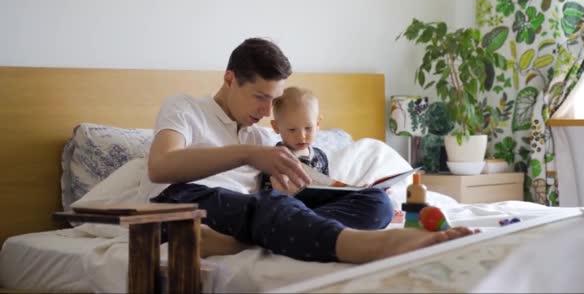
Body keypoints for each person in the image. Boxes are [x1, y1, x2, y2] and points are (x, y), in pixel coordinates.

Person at [148, 37, 475, 263]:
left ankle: (234, 243)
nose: (266, 112)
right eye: (260, 97)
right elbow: (160, 167)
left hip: (247, 215)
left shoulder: (258, 136)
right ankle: (369, 245)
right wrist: (247, 155)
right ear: (230, 78)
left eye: (272, 102)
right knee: (268, 206)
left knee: (374, 201)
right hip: (182, 205)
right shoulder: (186, 108)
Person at [257, 86, 332, 194]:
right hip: (288, 205)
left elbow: (329, 189)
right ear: (276, 127)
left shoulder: (321, 156)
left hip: (319, 206)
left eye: (308, 128)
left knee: (361, 195)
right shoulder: (275, 157)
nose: (301, 137)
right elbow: (264, 192)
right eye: (292, 130)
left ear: (317, 124)